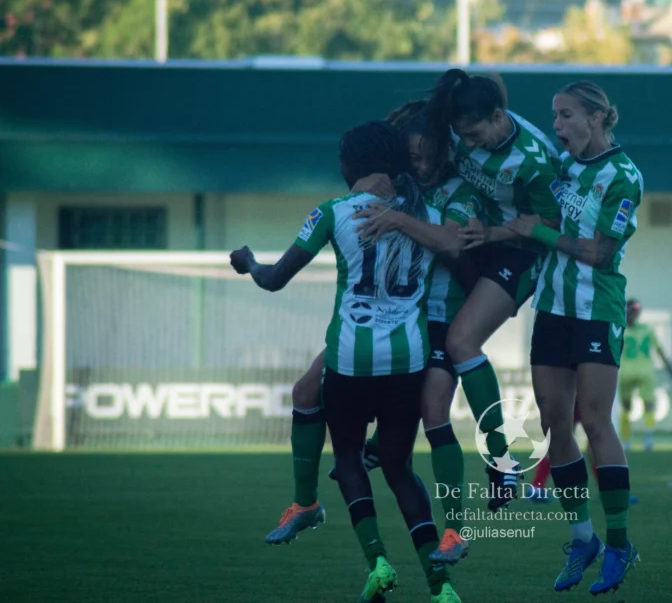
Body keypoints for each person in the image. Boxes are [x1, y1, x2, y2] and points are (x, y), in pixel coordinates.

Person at [230, 120, 462, 603]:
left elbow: (273, 280)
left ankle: (376, 561)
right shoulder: (429, 214)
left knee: (351, 459)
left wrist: (249, 262)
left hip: (351, 361)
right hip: (409, 361)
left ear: (352, 163)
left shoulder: (332, 213)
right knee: (399, 468)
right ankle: (441, 588)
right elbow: (458, 254)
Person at [505, 81, 642, 595]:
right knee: (554, 422)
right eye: (555, 117)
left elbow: (600, 253)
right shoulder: (562, 168)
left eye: (566, 115)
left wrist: (535, 232)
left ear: (596, 117)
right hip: (552, 309)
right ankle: (583, 539)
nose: (558, 126)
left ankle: (620, 545)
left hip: (595, 310)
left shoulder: (624, 176)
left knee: (594, 419)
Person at [421, 68, 565, 511]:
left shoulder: (536, 160)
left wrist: (492, 234)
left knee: (462, 340)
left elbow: (551, 223)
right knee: (431, 333)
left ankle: (502, 463)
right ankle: (386, 436)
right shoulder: (461, 123)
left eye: (476, 134)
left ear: (500, 117)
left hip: (515, 251)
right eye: (461, 135)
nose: (468, 143)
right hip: (474, 233)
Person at [355, 101, 485, 564]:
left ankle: (456, 529)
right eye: (415, 157)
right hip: (398, 318)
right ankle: (314, 488)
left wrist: (402, 222)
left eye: (433, 156)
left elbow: (452, 244)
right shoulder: (398, 189)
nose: (425, 166)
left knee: (434, 413)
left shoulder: (463, 193)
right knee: (314, 384)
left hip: (445, 318)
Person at [619, 298, 672, 452]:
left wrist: (669, 367)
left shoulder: (626, 328)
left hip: (637, 371)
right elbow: (659, 350)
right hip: (633, 372)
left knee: (642, 405)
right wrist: (669, 367)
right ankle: (631, 440)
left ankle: (643, 439)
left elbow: (658, 349)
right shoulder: (635, 329)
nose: (633, 314)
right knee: (629, 407)